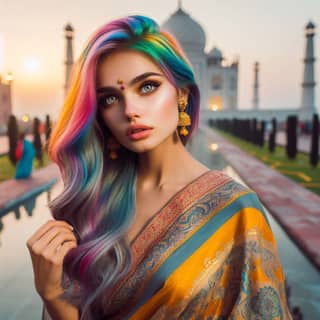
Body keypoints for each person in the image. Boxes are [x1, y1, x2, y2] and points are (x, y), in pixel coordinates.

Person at [26, 15, 292, 319]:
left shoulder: (238, 212)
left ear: (182, 92)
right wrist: (53, 295)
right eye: (111, 98)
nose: (130, 111)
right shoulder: (95, 201)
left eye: (147, 87)